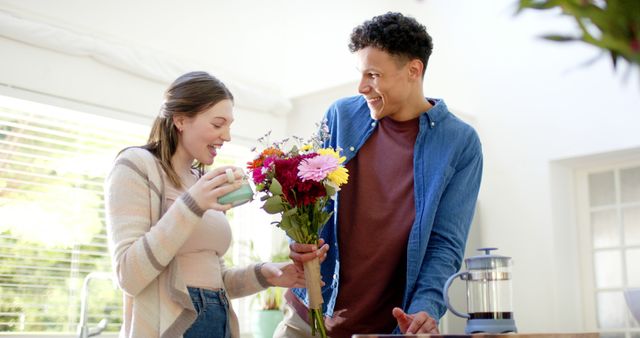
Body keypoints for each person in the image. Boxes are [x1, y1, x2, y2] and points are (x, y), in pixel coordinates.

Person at [274, 12, 483, 338]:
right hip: (308, 315)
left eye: (373, 74)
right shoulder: (341, 116)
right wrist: (298, 241)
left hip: (387, 329)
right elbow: (306, 200)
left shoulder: (459, 143)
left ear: (414, 70)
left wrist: (425, 308)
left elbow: (445, 243)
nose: (362, 87)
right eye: (360, 74)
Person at [105, 71, 305, 338]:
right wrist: (192, 204)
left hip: (217, 320)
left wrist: (264, 275)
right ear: (180, 120)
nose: (227, 136)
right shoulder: (137, 165)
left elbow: (213, 279)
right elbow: (128, 275)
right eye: (218, 124)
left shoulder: (201, 182)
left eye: (229, 125)